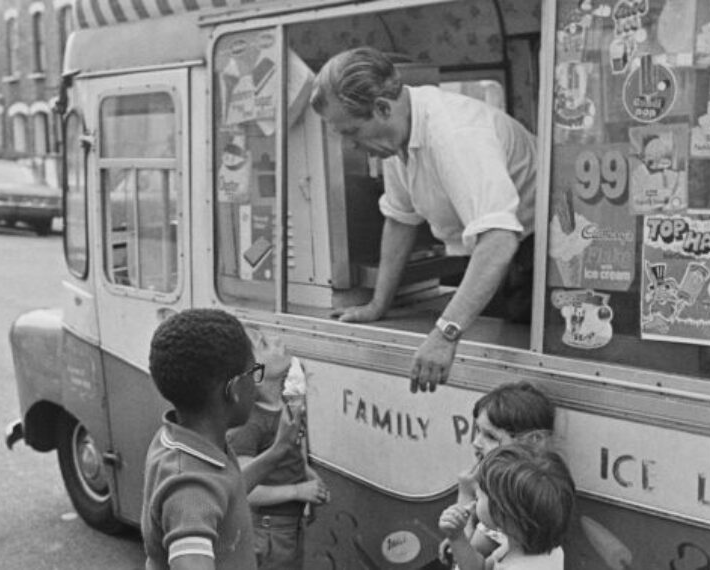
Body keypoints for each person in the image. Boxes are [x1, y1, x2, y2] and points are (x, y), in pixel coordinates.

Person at [310, 46, 539, 394]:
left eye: (352, 132)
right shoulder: (396, 135)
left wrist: (445, 333)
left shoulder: (454, 135)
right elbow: (400, 220)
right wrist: (377, 305)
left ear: (383, 108)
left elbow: (498, 240)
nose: (352, 145)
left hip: (536, 253)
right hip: (490, 251)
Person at [141, 309, 302, 570]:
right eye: (255, 373)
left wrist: (278, 450)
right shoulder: (190, 487)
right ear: (235, 390)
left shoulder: (183, 440)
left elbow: (228, 490)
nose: (256, 382)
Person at [228, 329, 330, 569]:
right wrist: (297, 491)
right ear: (256, 374)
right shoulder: (250, 424)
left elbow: (289, 454)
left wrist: (311, 479)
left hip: (287, 527)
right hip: (267, 531)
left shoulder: (284, 405)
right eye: (264, 343)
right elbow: (245, 489)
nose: (275, 339)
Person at [441, 381, 556, 567]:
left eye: (491, 436)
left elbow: (466, 561)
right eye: (477, 430)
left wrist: (465, 495)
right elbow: (470, 553)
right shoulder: (496, 482)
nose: (476, 443)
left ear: (534, 441)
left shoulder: (519, 502)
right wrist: (458, 538)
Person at [439, 442, 576, 570]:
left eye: (482, 492)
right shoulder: (540, 549)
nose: (476, 495)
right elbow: (480, 568)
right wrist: (457, 537)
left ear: (505, 517)